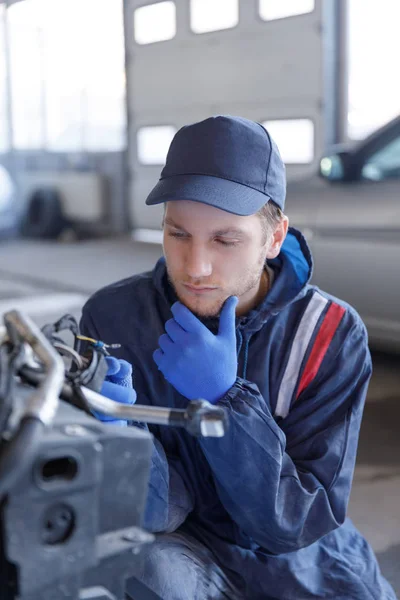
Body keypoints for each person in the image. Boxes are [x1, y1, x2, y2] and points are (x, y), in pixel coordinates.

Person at [80, 116, 396, 600]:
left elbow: (296, 522)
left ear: (274, 238)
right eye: (178, 234)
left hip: (304, 566)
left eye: (225, 240)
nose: (195, 267)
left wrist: (226, 402)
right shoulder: (115, 320)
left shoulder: (330, 334)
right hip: (183, 551)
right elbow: (157, 511)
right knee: (145, 568)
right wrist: (120, 433)